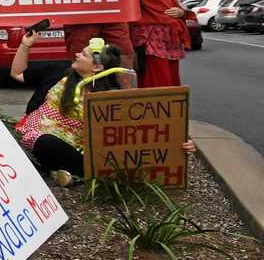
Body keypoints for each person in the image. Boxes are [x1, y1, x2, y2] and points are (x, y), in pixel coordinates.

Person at [15, 39, 195, 186]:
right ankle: (69, 174)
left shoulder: (109, 97)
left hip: (71, 149)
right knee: (39, 142)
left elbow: (138, 130)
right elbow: (17, 74)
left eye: (84, 54)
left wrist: (178, 142)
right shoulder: (58, 72)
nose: (77, 54)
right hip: (32, 132)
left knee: (47, 143)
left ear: (97, 68)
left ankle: (76, 173)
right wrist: (25, 44)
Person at [131, 0, 192, 87]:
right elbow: (131, 4)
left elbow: (179, 7)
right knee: (156, 80)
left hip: (171, 37)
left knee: (172, 79)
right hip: (151, 38)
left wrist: (181, 13)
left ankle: (170, 109)